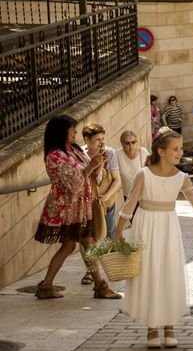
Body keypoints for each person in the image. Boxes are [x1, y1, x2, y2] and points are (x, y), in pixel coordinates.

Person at [113, 128, 193, 348]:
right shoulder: (144, 174)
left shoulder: (182, 177)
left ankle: (169, 326)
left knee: (169, 271)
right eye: (175, 149)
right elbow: (130, 203)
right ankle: (152, 328)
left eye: (181, 148)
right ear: (161, 151)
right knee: (149, 272)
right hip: (146, 225)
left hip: (168, 226)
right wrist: (117, 232)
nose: (180, 152)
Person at [33, 115, 122, 300]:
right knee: (84, 243)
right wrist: (90, 166)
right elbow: (73, 183)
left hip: (81, 208)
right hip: (67, 210)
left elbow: (88, 174)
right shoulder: (55, 156)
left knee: (69, 246)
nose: (75, 132)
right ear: (61, 132)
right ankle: (100, 286)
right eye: (72, 130)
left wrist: (97, 163)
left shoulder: (73, 149)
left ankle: (46, 286)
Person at [79, 124, 121, 284]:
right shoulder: (80, 155)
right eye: (97, 139)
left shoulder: (109, 153)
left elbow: (117, 180)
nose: (101, 142)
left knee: (108, 233)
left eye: (102, 139)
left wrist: (104, 197)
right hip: (87, 203)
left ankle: (112, 266)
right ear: (86, 139)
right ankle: (90, 272)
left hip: (106, 201)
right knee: (87, 239)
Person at [116, 131, 149, 219]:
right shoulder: (117, 155)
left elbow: (152, 171)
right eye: (127, 143)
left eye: (133, 142)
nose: (131, 146)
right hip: (129, 196)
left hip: (144, 195)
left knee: (145, 222)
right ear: (122, 144)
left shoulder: (143, 152)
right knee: (134, 222)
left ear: (137, 142)